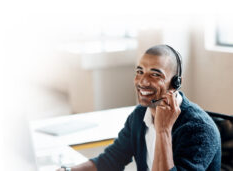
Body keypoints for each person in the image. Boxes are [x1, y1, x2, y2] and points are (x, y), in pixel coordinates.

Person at [57, 45, 221, 171]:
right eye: (140, 71)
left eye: (155, 74)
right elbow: (110, 160)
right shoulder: (140, 115)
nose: (143, 81)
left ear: (175, 83)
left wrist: (163, 131)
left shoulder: (198, 130)